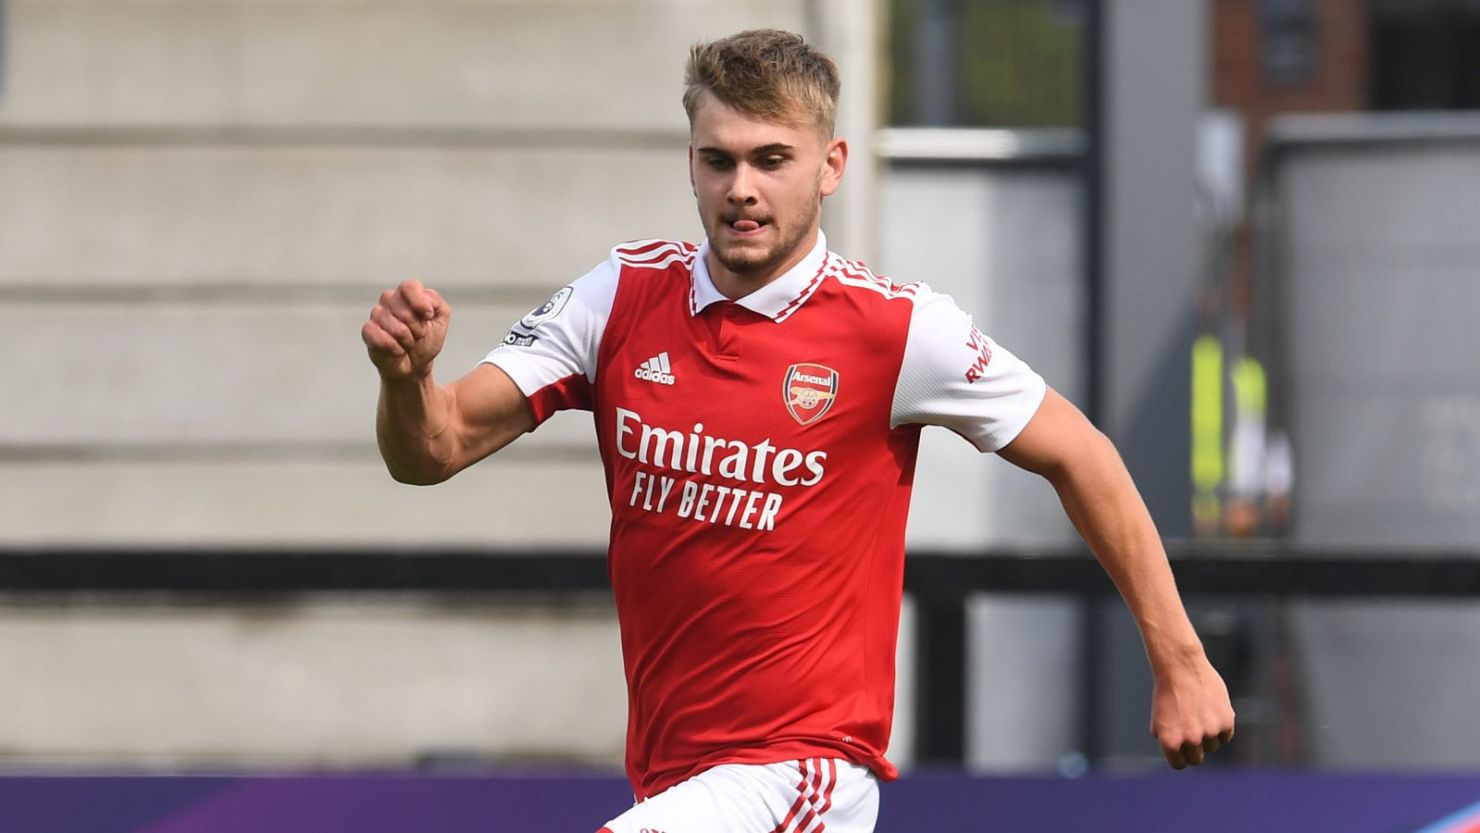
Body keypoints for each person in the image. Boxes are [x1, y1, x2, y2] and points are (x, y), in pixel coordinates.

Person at [362, 29, 1235, 833]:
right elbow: (435, 448)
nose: (742, 187)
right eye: (720, 160)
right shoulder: (619, 298)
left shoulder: (898, 329)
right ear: (692, 164)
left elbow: (1081, 452)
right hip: (673, 777)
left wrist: (1182, 661)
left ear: (831, 164)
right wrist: (407, 380)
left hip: (806, 770)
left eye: (772, 159)